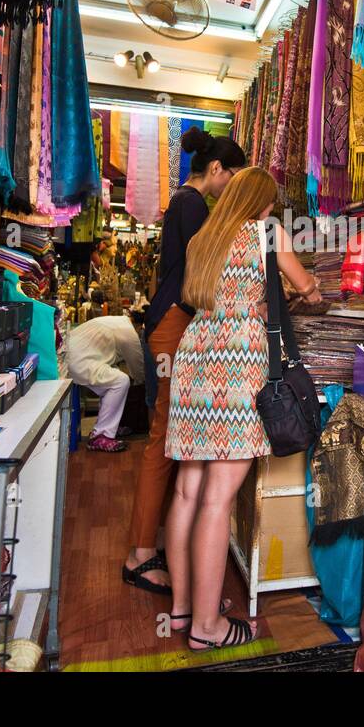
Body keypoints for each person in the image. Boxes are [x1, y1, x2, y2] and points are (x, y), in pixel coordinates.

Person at [162, 167, 322, 649]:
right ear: (263, 203)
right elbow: (304, 284)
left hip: (194, 356)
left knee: (189, 490)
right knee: (218, 496)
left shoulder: (203, 238)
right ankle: (207, 629)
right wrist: (311, 289)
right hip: (237, 361)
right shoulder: (267, 232)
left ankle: (184, 608)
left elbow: (199, 295)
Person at [121, 128, 248, 596]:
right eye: (232, 177)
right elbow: (205, 271)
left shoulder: (185, 203)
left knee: (167, 439)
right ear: (216, 169)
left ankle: (152, 544)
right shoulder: (194, 206)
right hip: (174, 326)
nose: (231, 187)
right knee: (163, 440)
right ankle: (139, 553)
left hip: (170, 324)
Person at [66, 313, 145, 451]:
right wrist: (144, 383)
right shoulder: (128, 332)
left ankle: (109, 426)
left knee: (112, 379)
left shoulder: (114, 321)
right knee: (121, 381)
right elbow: (137, 366)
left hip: (71, 356)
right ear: (138, 326)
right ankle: (101, 435)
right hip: (78, 361)